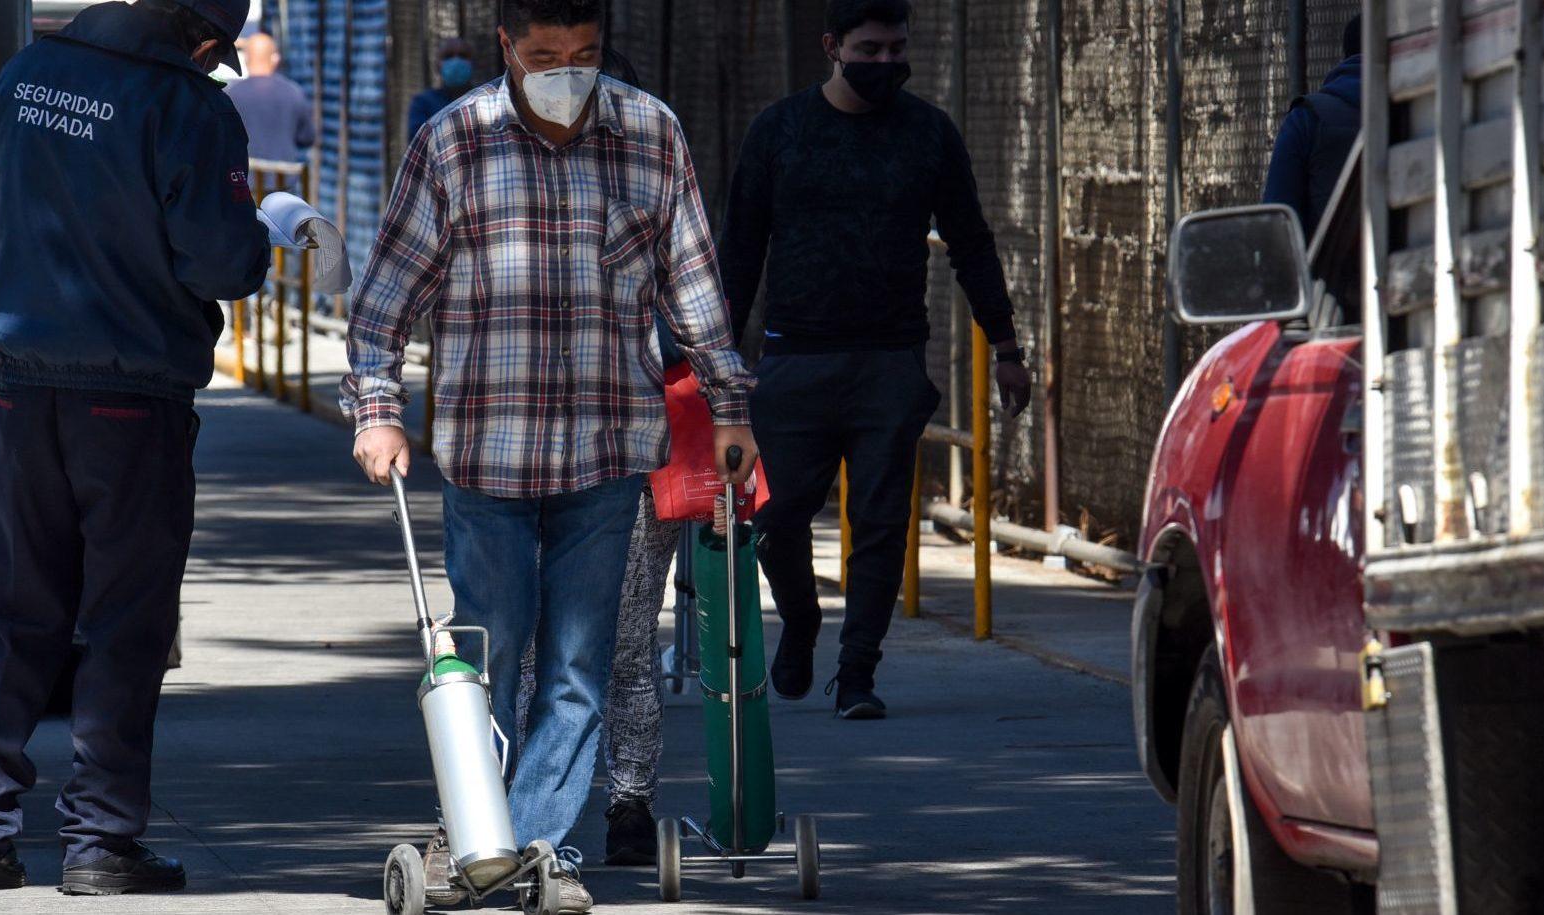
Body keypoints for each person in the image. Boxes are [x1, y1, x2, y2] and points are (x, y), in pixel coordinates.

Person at [342, 1, 757, 909]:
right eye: (543, 55)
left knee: (580, 666)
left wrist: (729, 407)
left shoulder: (649, 135)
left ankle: (528, 846)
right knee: (488, 653)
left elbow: (693, 283)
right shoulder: (453, 143)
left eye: (583, 54)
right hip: (488, 454)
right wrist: (377, 410)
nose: (566, 71)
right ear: (505, 48)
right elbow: (382, 304)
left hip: (607, 453)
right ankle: (479, 832)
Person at [0, 0, 268, 896]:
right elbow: (221, 265)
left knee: (14, 610)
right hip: (130, 396)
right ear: (202, 41)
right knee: (124, 622)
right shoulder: (189, 106)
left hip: (21, 383)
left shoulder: (24, 78)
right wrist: (264, 233)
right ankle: (100, 840)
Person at [720, 0, 1032, 721]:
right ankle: (801, 621)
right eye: (870, 49)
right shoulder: (780, 131)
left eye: (897, 50)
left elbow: (971, 242)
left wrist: (1006, 346)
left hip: (890, 358)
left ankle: (858, 671)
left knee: (882, 521)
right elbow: (739, 250)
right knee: (777, 517)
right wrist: (718, 364)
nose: (886, 63)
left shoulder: (927, 134)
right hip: (794, 359)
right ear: (832, 46)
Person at [510, 47, 677, 870]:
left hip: (629, 449)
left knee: (622, 640)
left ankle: (627, 802)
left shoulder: (658, 186)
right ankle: (535, 813)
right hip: (527, 452)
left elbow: (696, 311)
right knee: (544, 643)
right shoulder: (513, 185)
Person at [1261, 15, 1362, 239]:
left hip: (1327, 273)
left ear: (1345, 56)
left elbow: (1277, 223)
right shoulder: (1419, 110)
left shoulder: (1307, 119)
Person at [224, 32, 316, 163]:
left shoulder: (230, 95)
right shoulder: (294, 92)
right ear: (275, 59)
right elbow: (307, 138)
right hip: (284, 180)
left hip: (243, 180)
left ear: (246, 59)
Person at [407, 37, 475, 139]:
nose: (456, 61)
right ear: (437, 65)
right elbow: (418, 143)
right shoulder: (423, 103)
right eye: (448, 56)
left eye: (462, 56)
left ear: (472, 63)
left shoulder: (484, 100)